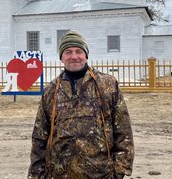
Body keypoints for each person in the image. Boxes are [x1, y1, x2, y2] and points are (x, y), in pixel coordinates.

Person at [28, 31, 134, 179]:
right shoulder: (50, 91)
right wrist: (36, 174)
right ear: (61, 57)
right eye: (68, 52)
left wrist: (120, 170)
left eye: (79, 51)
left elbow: (124, 131)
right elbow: (40, 136)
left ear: (86, 55)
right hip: (59, 174)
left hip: (102, 174)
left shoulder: (108, 85)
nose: (74, 56)